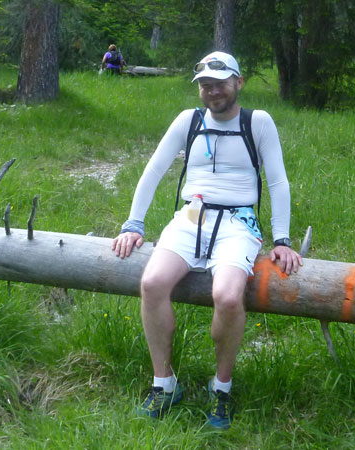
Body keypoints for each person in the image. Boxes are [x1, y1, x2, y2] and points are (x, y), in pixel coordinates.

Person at [112, 51, 302, 430]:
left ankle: (222, 388)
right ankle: (164, 384)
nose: (212, 91)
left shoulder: (257, 122)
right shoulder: (189, 120)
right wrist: (134, 223)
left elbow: (278, 181)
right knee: (152, 283)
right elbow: (154, 169)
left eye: (220, 83)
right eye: (205, 85)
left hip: (237, 222)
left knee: (228, 297)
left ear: (238, 82)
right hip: (190, 217)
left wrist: (282, 238)